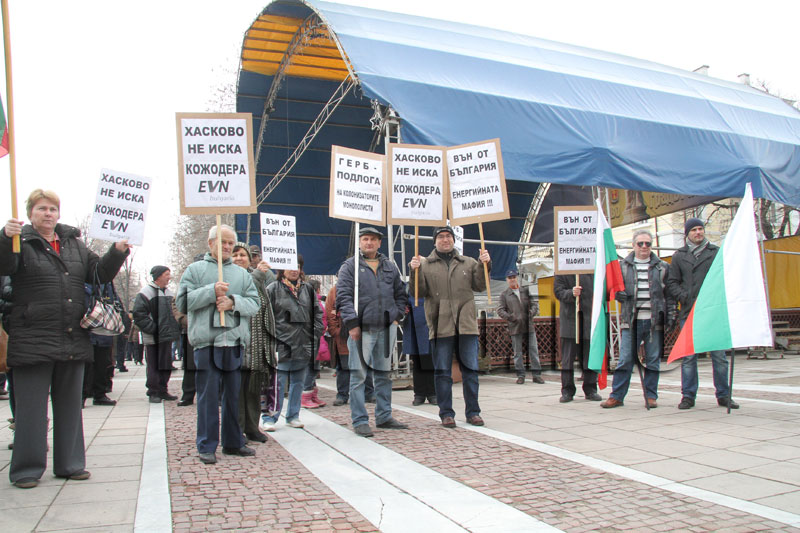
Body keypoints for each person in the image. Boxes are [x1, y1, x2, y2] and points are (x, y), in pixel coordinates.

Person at [0, 189, 129, 489]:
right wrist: (6, 238)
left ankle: (70, 464)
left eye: (52, 209)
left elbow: (98, 273)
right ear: (30, 213)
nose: (48, 214)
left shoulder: (75, 244)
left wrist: (117, 251)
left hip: (72, 336)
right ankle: (27, 469)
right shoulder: (19, 241)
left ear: (58, 214)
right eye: (41, 209)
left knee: (71, 406)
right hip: (33, 337)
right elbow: (4, 266)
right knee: (31, 409)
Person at [176, 225, 260, 464]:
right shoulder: (194, 270)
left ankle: (233, 442)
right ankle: (206, 444)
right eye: (222, 242)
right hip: (207, 343)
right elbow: (182, 303)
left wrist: (233, 302)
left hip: (233, 342)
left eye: (230, 243)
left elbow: (255, 303)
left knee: (233, 396)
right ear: (210, 243)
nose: (226, 247)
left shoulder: (243, 275)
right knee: (208, 396)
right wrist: (210, 292)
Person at [409, 226, 490, 428]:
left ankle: (473, 412)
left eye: (449, 236)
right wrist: (414, 270)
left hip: (466, 326)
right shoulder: (425, 265)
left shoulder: (469, 262)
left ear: (454, 240)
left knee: (470, 371)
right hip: (440, 326)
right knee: (442, 372)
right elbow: (417, 292)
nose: (445, 240)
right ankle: (446, 413)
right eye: (441, 237)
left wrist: (485, 265)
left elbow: (480, 286)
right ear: (434, 241)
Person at [337, 227, 409, 437]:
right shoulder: (349, 267)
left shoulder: (389, 266)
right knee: (358, 376)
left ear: (379, 243)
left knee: (384, 375)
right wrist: (352, 323)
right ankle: (359, 420)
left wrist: (397, 317)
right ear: (360, 242)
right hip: (362, 330)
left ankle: (384, 415)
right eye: (365, 239)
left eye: (373, 239)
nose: (369, 242)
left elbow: (400, 293)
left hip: (387, 328)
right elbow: (344, 296)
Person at [666, 218, 739, 410]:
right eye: (694, 230)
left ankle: (724, 394)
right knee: (689, 357)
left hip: (713, 311)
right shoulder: (679, 256)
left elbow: (725, 277)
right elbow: (672, 282)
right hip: (689, 311)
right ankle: (688, 396)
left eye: (701, 229)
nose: (698, 232)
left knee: (719, 357)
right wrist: (685, 296)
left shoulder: (715, 252)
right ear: (687, 233)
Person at [601, 230, 675, 409]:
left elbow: (669, 295)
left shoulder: (662, 267)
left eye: (648, 244)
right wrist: (618, 294)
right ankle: (617, 395)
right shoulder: (622, 267)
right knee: (625, 359)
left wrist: (671, 315)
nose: (644, 247)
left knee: (653, 360)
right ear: (633, 245)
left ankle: (651, 395)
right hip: (630, 321)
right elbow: (610, 288)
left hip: (654, 321)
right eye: (640, 243)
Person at [259, 255, 323, 432]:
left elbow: (318, 314)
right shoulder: (272, 288)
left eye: (298, 266)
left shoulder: (308, 290)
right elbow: (265, 316)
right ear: (281, 269)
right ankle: (269, 416)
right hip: (281, 345)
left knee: (297, 383)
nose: (294, 269)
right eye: (290, 266)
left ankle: (293, 415)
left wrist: (315, 333)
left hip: (304, 344)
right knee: (276, 384)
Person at [231, 242, 274, 443]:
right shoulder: (227, 275)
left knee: (253, 388)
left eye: (243, 255)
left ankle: (252, 427)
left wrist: (267, 271)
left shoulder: (258, 275)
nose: (239, 258)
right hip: (235, 341)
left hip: (257, 343)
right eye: (235, 254)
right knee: (236, 391)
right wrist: (258, 274)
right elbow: (240, 292)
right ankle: (236, 428)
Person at [133, 265, 181, 403]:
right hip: (153, 336)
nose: (169, 277)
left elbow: (175, 312)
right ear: (159, 276)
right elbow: (139, 315)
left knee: (165, 364)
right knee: (153, 364)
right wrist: (153, 328)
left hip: (167, 336)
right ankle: (153, 391)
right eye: (167, 274)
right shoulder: (145, 292)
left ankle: (163, 389)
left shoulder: (169, 293)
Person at [554, 273, 601, 403]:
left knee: (588, 358)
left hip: (587, 320)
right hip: (570, 321)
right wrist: (570, 293)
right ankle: (567, 390)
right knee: (567, 359)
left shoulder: (591, 270)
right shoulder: (561, 271)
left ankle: (591, 389)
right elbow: (558, 292)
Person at [497, 269, 544, 385]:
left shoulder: (525, 291)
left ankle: (537, 375)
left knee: (533, 350)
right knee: (517, 352)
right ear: (507, 280)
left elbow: (534, 305)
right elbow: (500, 310)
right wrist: (511, 317)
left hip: (529, 325)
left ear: (517, 278)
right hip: (515, 326)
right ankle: (520, 375)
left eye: (514, 277)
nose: (512, 279)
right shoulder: (504, 295)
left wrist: (531, 313)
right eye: (510, 278)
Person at [82, 282, 121, 407]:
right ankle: (80, 396)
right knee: (85, 365)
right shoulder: (83, 278)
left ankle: (100, 394)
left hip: (104, 328)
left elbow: (114, 299)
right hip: (85, 327)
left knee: (102, 363)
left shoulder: (106, 282)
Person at [301, 279, 326, 409]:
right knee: (310, 367)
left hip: (317, 336)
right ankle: (306, 395)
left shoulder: (316, 300)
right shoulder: (309, 300)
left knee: (314, 367)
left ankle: (312, 394)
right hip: (311, 337)